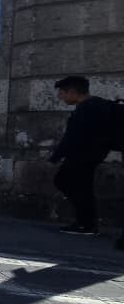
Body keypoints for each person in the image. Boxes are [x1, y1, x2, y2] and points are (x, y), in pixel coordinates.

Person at [49, 76, 112, 235]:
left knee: (64, 181)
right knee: (81, 187)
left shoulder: (85, 109)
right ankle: (87, 223)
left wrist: (55, 156)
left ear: (72, 91)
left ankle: (86, 224)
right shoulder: (99, 104)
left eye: (62, 93)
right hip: (94, 154)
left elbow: (72, 136)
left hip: (82, 155)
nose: (60, 97)